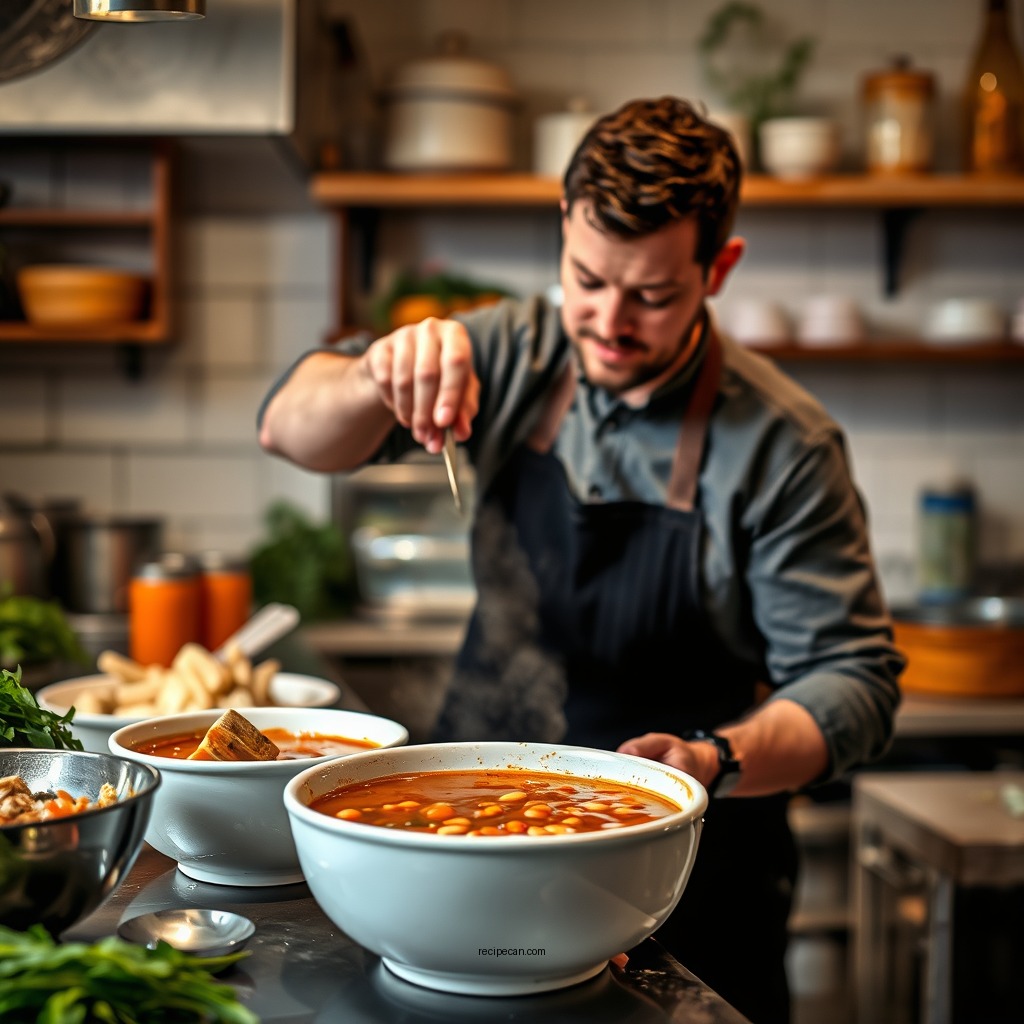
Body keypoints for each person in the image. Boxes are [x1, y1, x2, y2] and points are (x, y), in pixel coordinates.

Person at [257, 96, 904, 1024]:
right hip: (470, 833)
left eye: (652, 295)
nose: (606, 321)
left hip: (692, 867)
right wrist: (373, 373)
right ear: (563, 229)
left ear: (718, 268)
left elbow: (856, 680)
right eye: (587, 279)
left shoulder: (782, 446)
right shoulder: (510, 350)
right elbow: (288, 427)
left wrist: (714, 757)